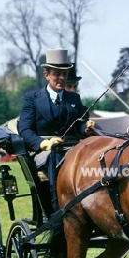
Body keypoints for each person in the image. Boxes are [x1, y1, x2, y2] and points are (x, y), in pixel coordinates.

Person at [18, 48, 94, 212]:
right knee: (56, 159)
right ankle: (59, 211)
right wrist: (43, 143)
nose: (61, 78)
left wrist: (85, 128)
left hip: (73, 147)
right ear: (47, 75)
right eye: (56, 74)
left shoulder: (74, 98)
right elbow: (24, 129)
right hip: (44, 152)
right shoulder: (32, 99)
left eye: (64, 74)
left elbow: (79, 124)